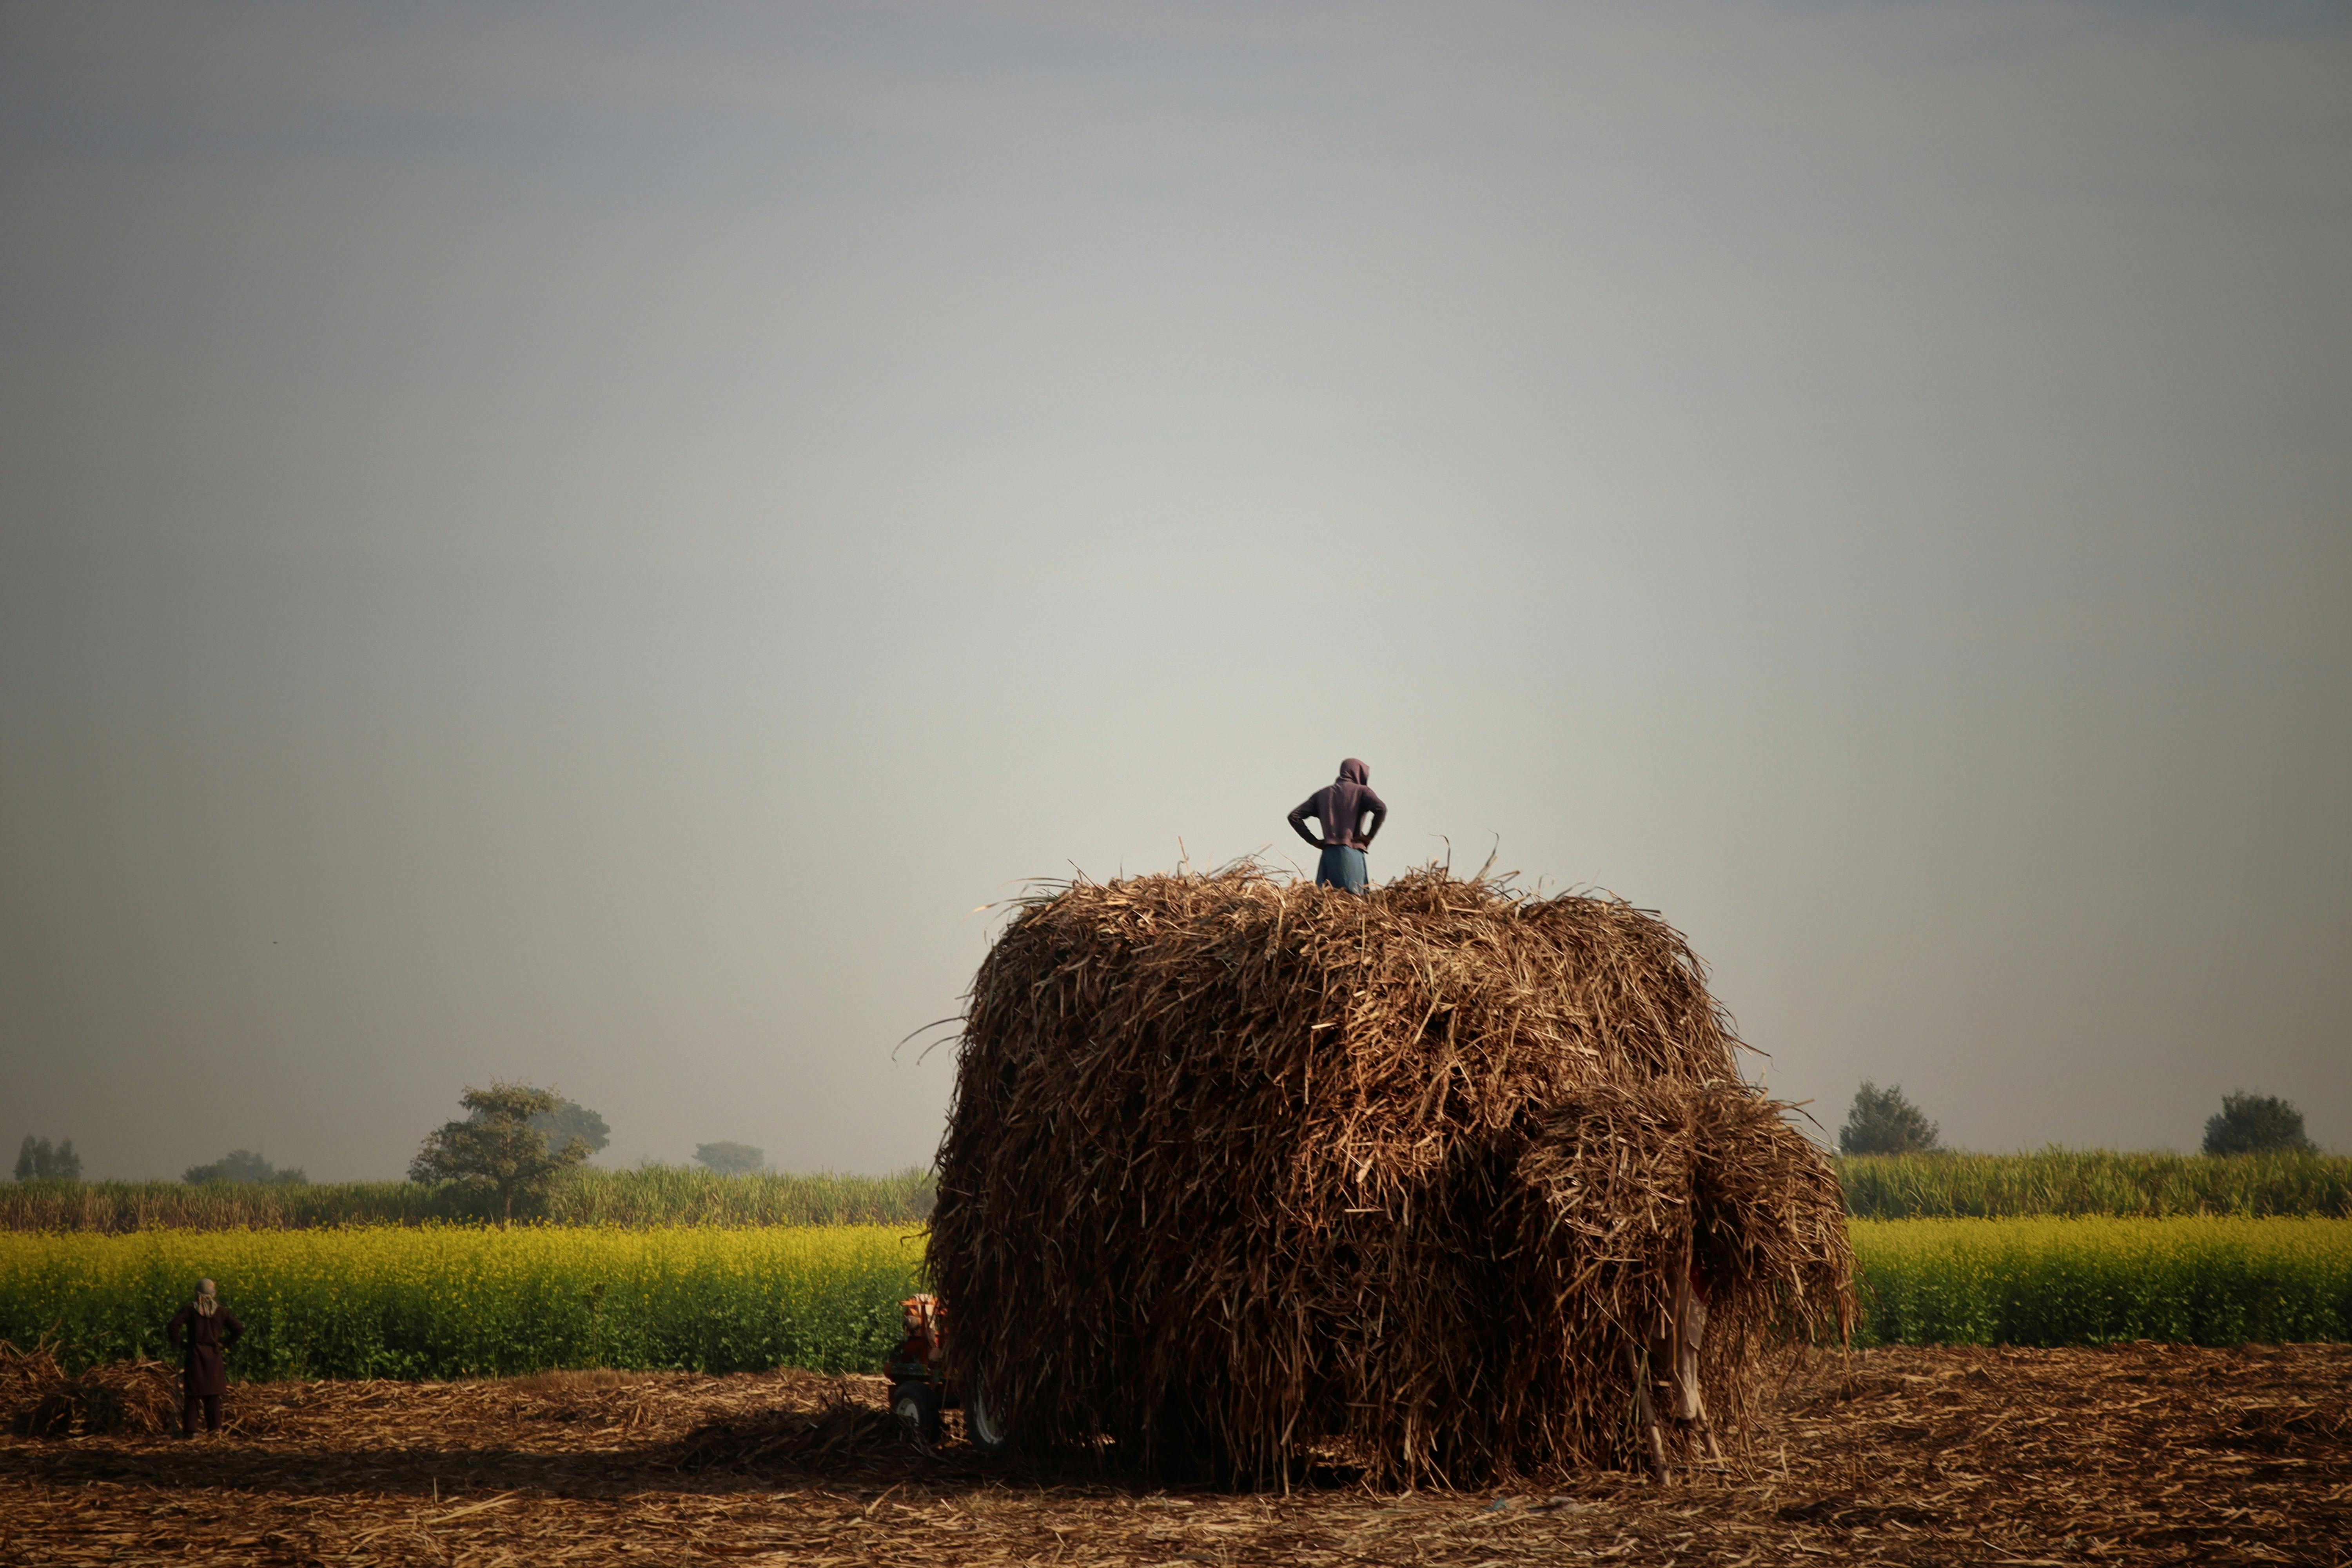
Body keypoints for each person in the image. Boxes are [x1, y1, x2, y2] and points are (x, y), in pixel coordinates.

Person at [1287, 758, 1387, 892]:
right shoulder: (1362, 791)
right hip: (1352, 853)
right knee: (1354, 899)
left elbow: (1294, 817)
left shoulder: (1322, 794)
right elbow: (1381, 809)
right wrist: (1370, 836)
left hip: (1329, 854)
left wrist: (1314, 841)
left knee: (1328, 900)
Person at [165, 1278, 243, 1437]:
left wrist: (181, 1345)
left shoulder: (190, 1310)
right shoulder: (221, 1312)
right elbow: (239, 1329)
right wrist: (223, 1344)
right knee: (213, 1395)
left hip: (195, 1355)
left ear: (197, 1292)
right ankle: (215, 1431)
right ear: (213, 1294)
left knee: (193, 1396)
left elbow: (173, 1326)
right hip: (214, 1357)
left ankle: (191, 1431)